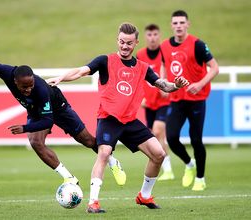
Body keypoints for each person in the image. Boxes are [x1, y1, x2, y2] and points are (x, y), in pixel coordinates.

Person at [47, 22, 189, 213]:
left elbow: (163, 85)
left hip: (130, 121)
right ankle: (93, 203)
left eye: (129, 43)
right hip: (108, 119)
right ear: (117, 40)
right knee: (104, 153)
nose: (124, 46)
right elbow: (81, 71)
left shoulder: (143, 67)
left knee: (159, 155)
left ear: (136, 43)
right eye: (122, 42)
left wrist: (176, 85)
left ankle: (144, 196)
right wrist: (61, 78)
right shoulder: (105, 61)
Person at [0, 39, 127, 187]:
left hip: (58, 108)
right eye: (24, 87)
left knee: (86, 140)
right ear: (15, 81)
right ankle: (69, 178)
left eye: (30, 85)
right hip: (35, 112)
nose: (28, 89)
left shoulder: (41, 90)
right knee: (35, 142)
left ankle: (112, 162)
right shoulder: (6, 73)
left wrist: (25, 127)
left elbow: (47, 122)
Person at [160, 10, 219, 191]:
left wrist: (200, 84)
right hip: (177, 98)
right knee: (171, 137)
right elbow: (163, 64)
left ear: (187, 24)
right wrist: (163, 83)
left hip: (196, 98)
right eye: (175, 23)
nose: (178, 26)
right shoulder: (164, 46)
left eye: (181, 22)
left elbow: (215, 68)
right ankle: (189, 164)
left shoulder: (198, 45)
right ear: (171, 25)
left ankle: (200, 178)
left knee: (196, 140)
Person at [136, 24, 174, 181]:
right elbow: (136, 78)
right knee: (156, 136)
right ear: (146, 37)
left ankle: (168, 169)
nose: (152, 37)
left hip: (164, 101)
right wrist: (140, 98)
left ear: (159, 35)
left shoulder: (166, 53)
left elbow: (173, 70)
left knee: (158, 131)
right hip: (149, 102)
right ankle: (168, 168)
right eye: (149, 34)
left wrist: (167, 86)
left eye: (155, 34)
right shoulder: (140, 54)